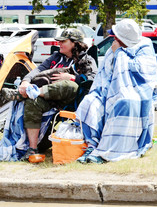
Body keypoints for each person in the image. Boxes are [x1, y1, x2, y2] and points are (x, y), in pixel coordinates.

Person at [0, 29, 97, 162]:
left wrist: (72, 77)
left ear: (75, 43)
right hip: (48, 96)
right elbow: (38, 70)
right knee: (33, 102)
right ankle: (32, 149)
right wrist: (25, 82)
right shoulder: (56, 57)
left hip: (70, 99)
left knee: (69, 85)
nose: (59, 43)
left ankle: (28, 94)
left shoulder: (86, 59)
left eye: (63, 41)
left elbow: (93, 78)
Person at [76, 19, 157, 164]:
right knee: (89, 102)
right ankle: (92, 145)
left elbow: (144, 71)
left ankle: (109, 150)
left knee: (124, 102)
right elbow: (104, 73)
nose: (114, 39)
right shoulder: (113, 49)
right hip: (108, 91)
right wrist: (100, 91)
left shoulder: (144, 45)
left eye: (117, 36)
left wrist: (120, 53)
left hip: (138, 91)